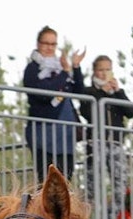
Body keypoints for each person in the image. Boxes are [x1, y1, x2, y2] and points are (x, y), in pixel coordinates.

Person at [81, 54, 133, 219]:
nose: (105, 73)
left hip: (116, 144)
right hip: (96, 144)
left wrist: (117, 92)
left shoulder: (117, 93)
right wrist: (102, 93)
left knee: (120, 188)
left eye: (108, 69)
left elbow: (131, 111)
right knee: (93, 189)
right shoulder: (89, 92)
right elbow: (86, 112)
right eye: (101, 69)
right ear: (95, 71)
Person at [23, 26, 86, 180]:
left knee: (66, 179)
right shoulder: (33, 68)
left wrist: (75, 68)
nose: (49, 48)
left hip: (65, 132)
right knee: (46, 180)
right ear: (38, 44)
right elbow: (43, 93)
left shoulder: (60, 68)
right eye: (46, 43)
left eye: (53, 44)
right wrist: (65, 72)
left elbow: (78, 92)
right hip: (43, 131)